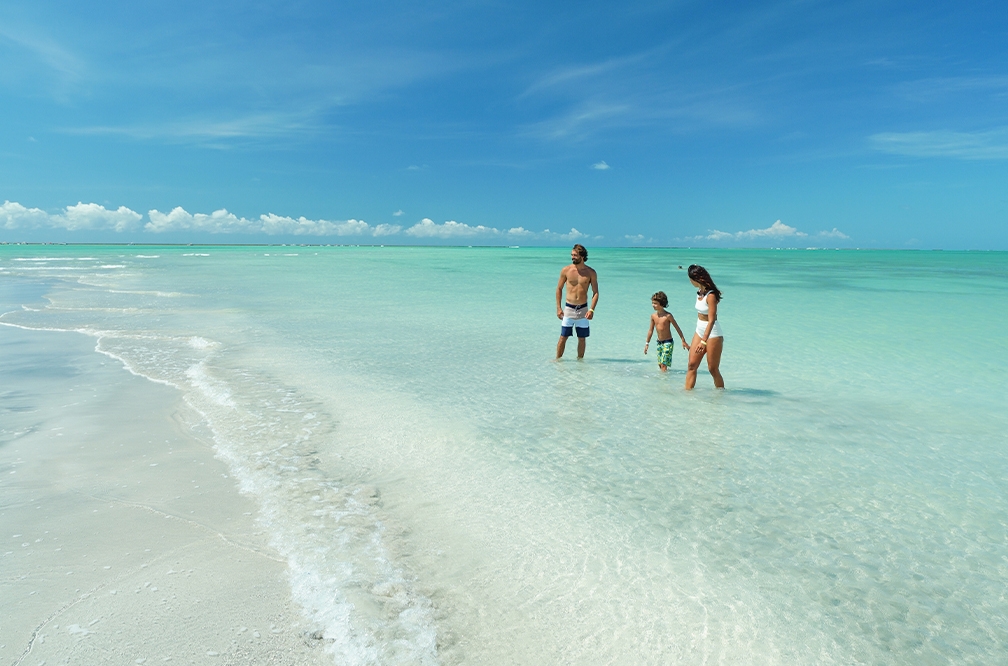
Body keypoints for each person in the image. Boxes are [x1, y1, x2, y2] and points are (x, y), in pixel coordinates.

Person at [556, 244, 599, 359]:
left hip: (583, 310)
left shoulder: (591, 272)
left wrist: (592, 309)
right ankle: (558, 361)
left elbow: (595, 293)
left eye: (575, 255)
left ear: (582, 256)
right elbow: (559, 288)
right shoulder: (566, 270)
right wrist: (559, 308)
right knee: (563, 337)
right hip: (569, 309)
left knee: (582, 338)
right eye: (572, 255)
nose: (572, 257)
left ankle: (580, 363)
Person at [685, 264, 724, 389]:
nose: (690, 282)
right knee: (692, 365)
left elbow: (711, 320)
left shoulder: (711, 296)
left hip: (712, 333)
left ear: (696, 279)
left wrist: (703, 341)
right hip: (699, 330)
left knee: (712, 369)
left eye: (690, 279)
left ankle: (720, 395)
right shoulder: (699, 292)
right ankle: (686, 396)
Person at [644, 291, 689, 371]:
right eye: (652, 303)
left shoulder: (668, 316)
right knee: (660, 364)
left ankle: (663, 382)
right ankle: (664, 379)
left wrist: (683, 341)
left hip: (668, 342)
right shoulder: (653, 316)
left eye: (655, 303)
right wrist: (647, 343)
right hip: (659, 343)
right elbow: (650, 330)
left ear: (661, 304)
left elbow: (677, 328)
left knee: (663, 365)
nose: (653, 305)